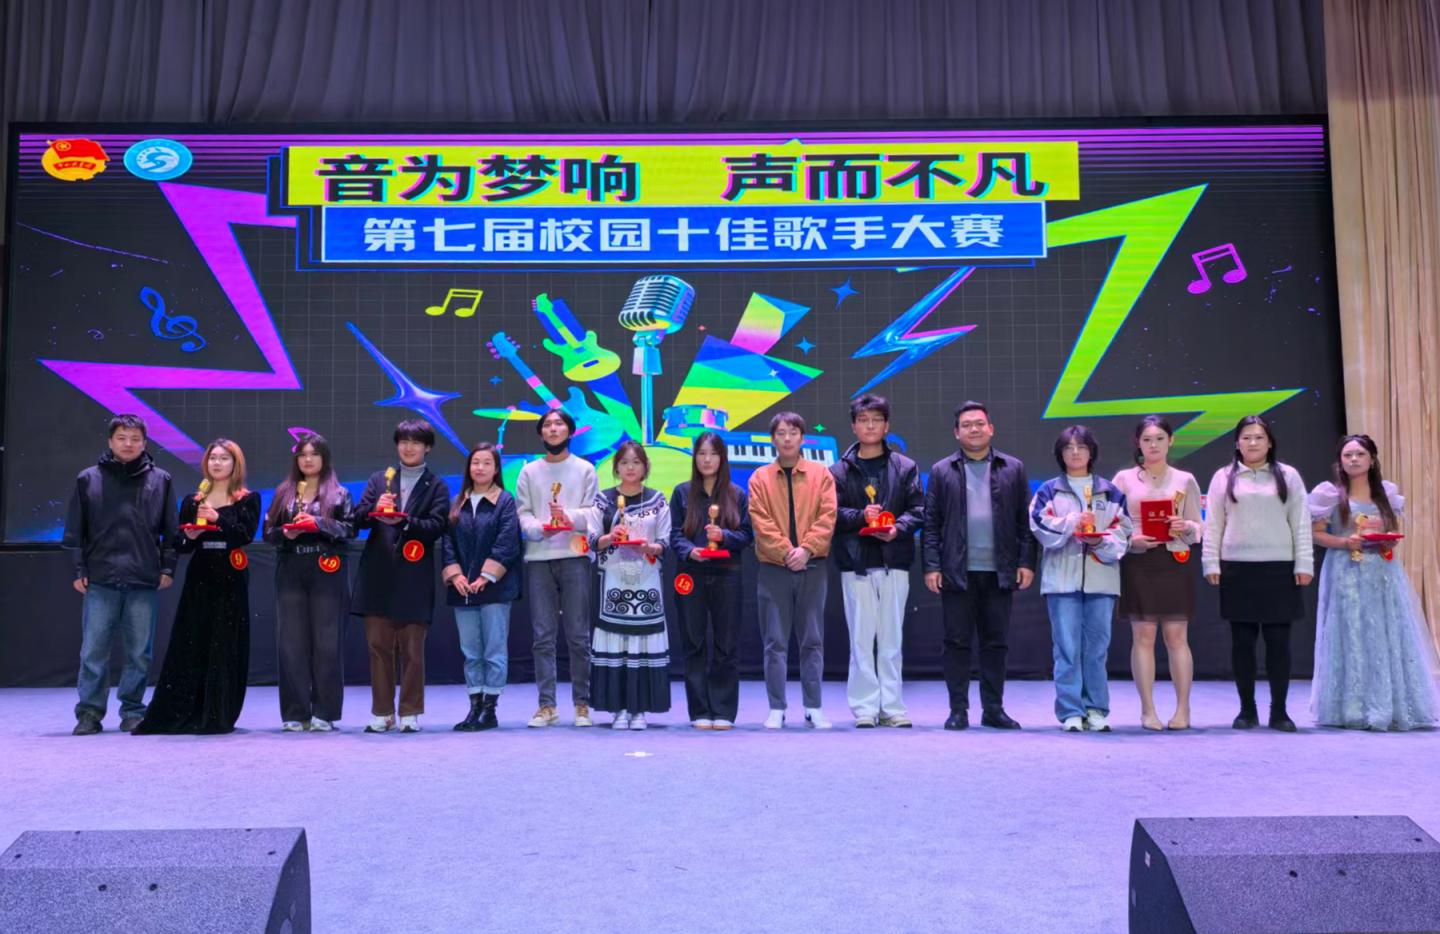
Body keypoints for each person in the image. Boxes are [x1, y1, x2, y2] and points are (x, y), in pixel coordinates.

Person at [1307, 435, 1438, 730]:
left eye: (1360, 454)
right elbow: (1317, 533)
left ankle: (1392, 704)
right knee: (1351, 632)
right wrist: (1344, 541)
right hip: (1345, 570)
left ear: (1372, 460)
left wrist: (1387, 540)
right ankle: (1352, 708)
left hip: (1382, 571)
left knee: (1386, 631)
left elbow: (1391, 530)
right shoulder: (1330, 494)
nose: (1354, 459)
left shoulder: (1386, 494)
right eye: (1348, 455)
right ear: (1340, 461)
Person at [922, 401, 1036, 730]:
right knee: (956, 642)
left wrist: (1026, 562)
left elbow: (1024, 521)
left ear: (991, 428)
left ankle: (993, 709)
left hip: (1000, 570)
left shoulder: (1013, 468)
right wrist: (932, 566)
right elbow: (931, 524)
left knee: (995, 643)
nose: (974, 429)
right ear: (956, 432)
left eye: (980, 423)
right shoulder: (942, 471)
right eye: (967, 424)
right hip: (956, 571)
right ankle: (958, 710)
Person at [133, 439, 260, 735]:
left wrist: (218, 519)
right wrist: (189, 536)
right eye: (213, 458)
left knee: (224, 642)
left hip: (230, 574)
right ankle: (182, 710)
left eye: (224, 458)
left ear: (235, 464)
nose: (217, 463)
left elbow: (244, 535)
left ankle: (217, 712)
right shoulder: (193, 500)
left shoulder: (247, 498)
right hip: (200, 573)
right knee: (192, 640)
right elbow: (180, 544)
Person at [63, 414, 178, 735]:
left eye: (135, 439)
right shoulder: (88, 479)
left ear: (144, 443)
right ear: (110, 441)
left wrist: (167, 567)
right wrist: (78, 569)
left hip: (143, 578)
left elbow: (171, 531)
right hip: (100, 578)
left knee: (139, 653)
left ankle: (133, 710)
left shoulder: (161, 480)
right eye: (122, 438)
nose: (128, 444)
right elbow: (74, 531)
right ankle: (89, 713)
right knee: (93, 651)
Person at [1203, 415, 1313, 732]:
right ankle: (1247, 710)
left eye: (1259, 437)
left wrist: (1304, 563)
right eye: (1246, 437)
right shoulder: (1223, 477)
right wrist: (1211, 562)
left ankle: (1279, 712)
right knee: (1243, 643)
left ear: (1270, 442)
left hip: (1279, 569)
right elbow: (1213, 523)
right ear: (1237, 443)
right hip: (1237, 569)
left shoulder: (1288, 476)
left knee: (1278, 643)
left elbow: (1301, 522)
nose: (1253, 442)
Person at [830, 394, 924, 728]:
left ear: (886, 426)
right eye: (863, 420)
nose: (870, 426)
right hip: (855, 562)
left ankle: (893, 707)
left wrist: (896, 529)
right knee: (860, 640)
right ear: (854, 426)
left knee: (891, 640)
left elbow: (918, 510)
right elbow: (831, 514)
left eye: (876, 420)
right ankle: (865, 708)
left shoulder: (905, 467)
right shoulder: (838, 471)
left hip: (894, 561)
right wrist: (861, 517)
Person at [352, 419, 451, 734]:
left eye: (416, 442)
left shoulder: (436, 485)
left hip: (414, 578)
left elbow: (438, 526)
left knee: (412, 651)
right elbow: (357, 518)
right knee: (378, 648)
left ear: (427, 447)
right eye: (403, 441)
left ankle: (410, 711)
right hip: (377, 574)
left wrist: (405, 522)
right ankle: (382, 712)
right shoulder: (379, 479)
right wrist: (374, 509)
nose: (408, 447)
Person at [1030, 426, 1132, 732]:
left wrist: (1100, 541)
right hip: (1061, 581)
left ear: (1091, 452)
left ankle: (1096, 708)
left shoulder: (1110, 492)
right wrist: (1072, 523)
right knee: (1066, 648)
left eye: (1081, 447)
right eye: (1068, 448)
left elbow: (1124, 530)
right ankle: (1071, 710)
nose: (1075, 452)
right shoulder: (1049, 490)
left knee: (1097, 649)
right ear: (1060, 454)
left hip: (1102, 580)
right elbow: (1037, 524)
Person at [1110, 416, 1204, 731]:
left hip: (1174, 560)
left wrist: (1185, 525)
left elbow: (1198, 527)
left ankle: (1183, 709)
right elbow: (1111, 524)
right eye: (1147, 439)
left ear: (1171, 441)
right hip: (1138, 561)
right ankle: (1147, 710)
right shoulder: (1123, 479)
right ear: (1138, 443)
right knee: (1143, 636)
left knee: (1177, 636)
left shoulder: (1185, 480)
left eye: (1160, 438)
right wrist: (1131, 540)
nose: (1154, 445)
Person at [748, 411, 837, 729]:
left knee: (812, 640)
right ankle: (777, 707)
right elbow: (760, 521)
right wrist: (787, 552)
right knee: (775, 642)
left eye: (793, 433)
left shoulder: (821, 474)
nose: (787, 439)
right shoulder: (760, 478)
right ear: (773, 439)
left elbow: (828, 516)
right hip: (774, 568)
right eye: (781, 433)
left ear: (802, 438)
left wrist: (807, 549)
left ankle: (814, 707)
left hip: (813, 567)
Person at [263, 432, 355, 732]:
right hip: (291, 567)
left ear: (324, 458)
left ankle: (324, 712)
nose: (308, 459)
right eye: (302, 454)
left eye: (314, 454)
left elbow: (350, 529)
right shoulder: (284, 492)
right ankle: (295, 711)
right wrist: (285, 533)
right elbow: (268, 533)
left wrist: (318, 523)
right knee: (291, 643)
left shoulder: (339, 493)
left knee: (328, 643)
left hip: (327, 568)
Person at [514, 409, 599, 728]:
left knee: (578, 635)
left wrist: (568, 518)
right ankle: (546, 705)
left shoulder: (585, 469)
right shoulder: (529, 471)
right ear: (541, 433)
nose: (553, 429)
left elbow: (593, 513)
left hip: (575, 555)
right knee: (542, 636)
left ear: (570, 431)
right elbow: (522, 513)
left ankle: (582, 704)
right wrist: (539, 528)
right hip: (539, 558)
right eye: (547, 425)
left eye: (559, 424)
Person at [670, 431, 753, 730]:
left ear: (722, 458)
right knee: (693, 644)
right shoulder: (682, 493)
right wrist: (690, 552)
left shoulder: (736, 494)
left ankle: (723, 710)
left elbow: (747, 535)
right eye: (701, 454)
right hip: (690, 574)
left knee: (726, 644)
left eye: (713, 454)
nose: (707, 460)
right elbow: (674, 535)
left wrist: (724, 536)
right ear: (694, 458)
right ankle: (700, 711)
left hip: (727, 573)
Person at [588, 442, 671, 730]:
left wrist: (649, 546)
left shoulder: (657, 500)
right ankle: (618, 709)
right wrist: (611, 537)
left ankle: (640, 710)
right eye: (624, 462)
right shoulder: (603, 500)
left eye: (636, 462)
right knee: (616, 642)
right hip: (613, 581)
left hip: (646, 582)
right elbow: (591, 541)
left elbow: (665, 541)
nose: (630, 467)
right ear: (616, 467)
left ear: (645, 466)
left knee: (642, 644)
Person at [442, 442, 523, 732]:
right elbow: (447, 543)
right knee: (471, 652)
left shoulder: (505, 501)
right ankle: (474, 707)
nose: (480, 468)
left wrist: (486, 576)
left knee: (494, 652)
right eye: (476, 462)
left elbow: (508, 542)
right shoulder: (458, 502)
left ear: (496, 468)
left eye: (487, 463)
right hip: (463, 590)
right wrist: (456, 576)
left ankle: (489, 711)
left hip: (495, 589)